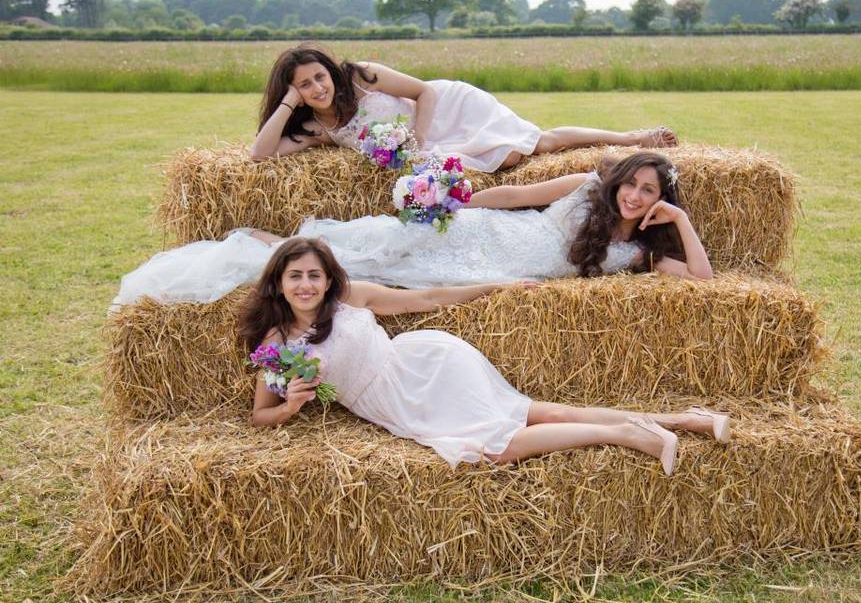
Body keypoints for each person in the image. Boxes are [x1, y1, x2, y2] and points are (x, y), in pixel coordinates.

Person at [243, 237, 731, 474]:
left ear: (328, 279)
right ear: (279, 284)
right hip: (398, 406)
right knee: (543, 413)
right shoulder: (276, 345)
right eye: (295, 276)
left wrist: (497, 286)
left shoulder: (352, 297)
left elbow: (430, 299)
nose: (306, 285)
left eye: (314, 275)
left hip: (426, 366)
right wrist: (290, 407)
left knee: (500, 445)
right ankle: (688, 420)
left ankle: (629, 434)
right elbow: (259, 416)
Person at [111, 151, 712, 307]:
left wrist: (681, 222)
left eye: (651, 192)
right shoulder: (586, 186)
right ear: (618, 181)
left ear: (661, 199)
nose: (635, 196)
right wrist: (460, 199)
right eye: (631, 184)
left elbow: (705, 282)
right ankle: (273, 243)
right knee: (384, 240)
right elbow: (517, 196)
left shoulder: (638, 254)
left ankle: (291, 251)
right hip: (483, 233)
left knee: (383, 274)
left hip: (496, 269)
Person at [248, 42, 678, 172]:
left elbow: (425, 93)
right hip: (429, 145)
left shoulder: (361, 76)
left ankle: (630, 138)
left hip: (445, 111)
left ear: (330, 71)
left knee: (534, 143)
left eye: (318, 76)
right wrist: (288, 102)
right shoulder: (321, 127)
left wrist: (418, 142)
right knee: (510, 157)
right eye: (304, 85)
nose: (317, 87)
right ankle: (624, 141)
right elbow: (260, 153)